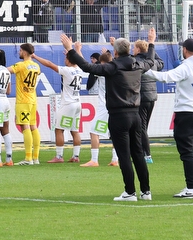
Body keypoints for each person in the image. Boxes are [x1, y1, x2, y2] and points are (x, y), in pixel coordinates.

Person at [62, 29, 158, 201]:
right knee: (137, 153)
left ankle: (130, 192)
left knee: (124, 155)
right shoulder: (137, 64)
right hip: (135, 115)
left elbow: (86, 66)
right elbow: (150, 61)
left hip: (119, 115)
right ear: (128, 49)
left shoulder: (113, 66)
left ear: (114, 51)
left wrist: (70, 50)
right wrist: (151, 42)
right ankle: (146, 191)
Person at [146, 38, 193, 198]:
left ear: (185, 50)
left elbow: (165, 77)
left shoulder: (187, 66)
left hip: (185, 113)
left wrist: (143, 70)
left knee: (187, 152)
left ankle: (190, 188)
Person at [32, 51, 85, 164]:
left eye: (66, 58)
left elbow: (49, 64)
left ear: (69, 60)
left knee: (59, 130)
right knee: (75, 130)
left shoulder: (67, 70)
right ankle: (76, 156)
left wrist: (35, 56)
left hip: (68, 104)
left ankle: (59, 156)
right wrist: (77, 50)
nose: (64, 60)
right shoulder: (79, 70)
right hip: (77, 103)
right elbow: (82, 60)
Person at [83, 51, 119, 168]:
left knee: (94, 132)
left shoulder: (102, 72)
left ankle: (94, 160)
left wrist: (77, 51)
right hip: (116, 106)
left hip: (104, 107)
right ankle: (115, 159)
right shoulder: (117, 71)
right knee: (115, 134)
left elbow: (86, 66)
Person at [9, 43, 42, 165]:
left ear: (25, 52)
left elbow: (7, 71)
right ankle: (36, 158)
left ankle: (28, 158)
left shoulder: (21, 65)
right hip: (33, 100)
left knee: (25, 127)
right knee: (33, 126)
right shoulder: (36, 66)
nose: (19, 52)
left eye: (20, 50)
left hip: (23, 100)